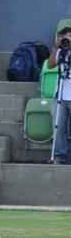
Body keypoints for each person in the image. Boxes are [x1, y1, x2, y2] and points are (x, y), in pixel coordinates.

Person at [47, 27, 71, 165]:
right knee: (59, 127)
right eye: (65, 37)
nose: (68, 40)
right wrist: (56, 47)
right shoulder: (60, 52)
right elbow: (50, 65)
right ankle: (59, 155)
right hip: (61, 95)